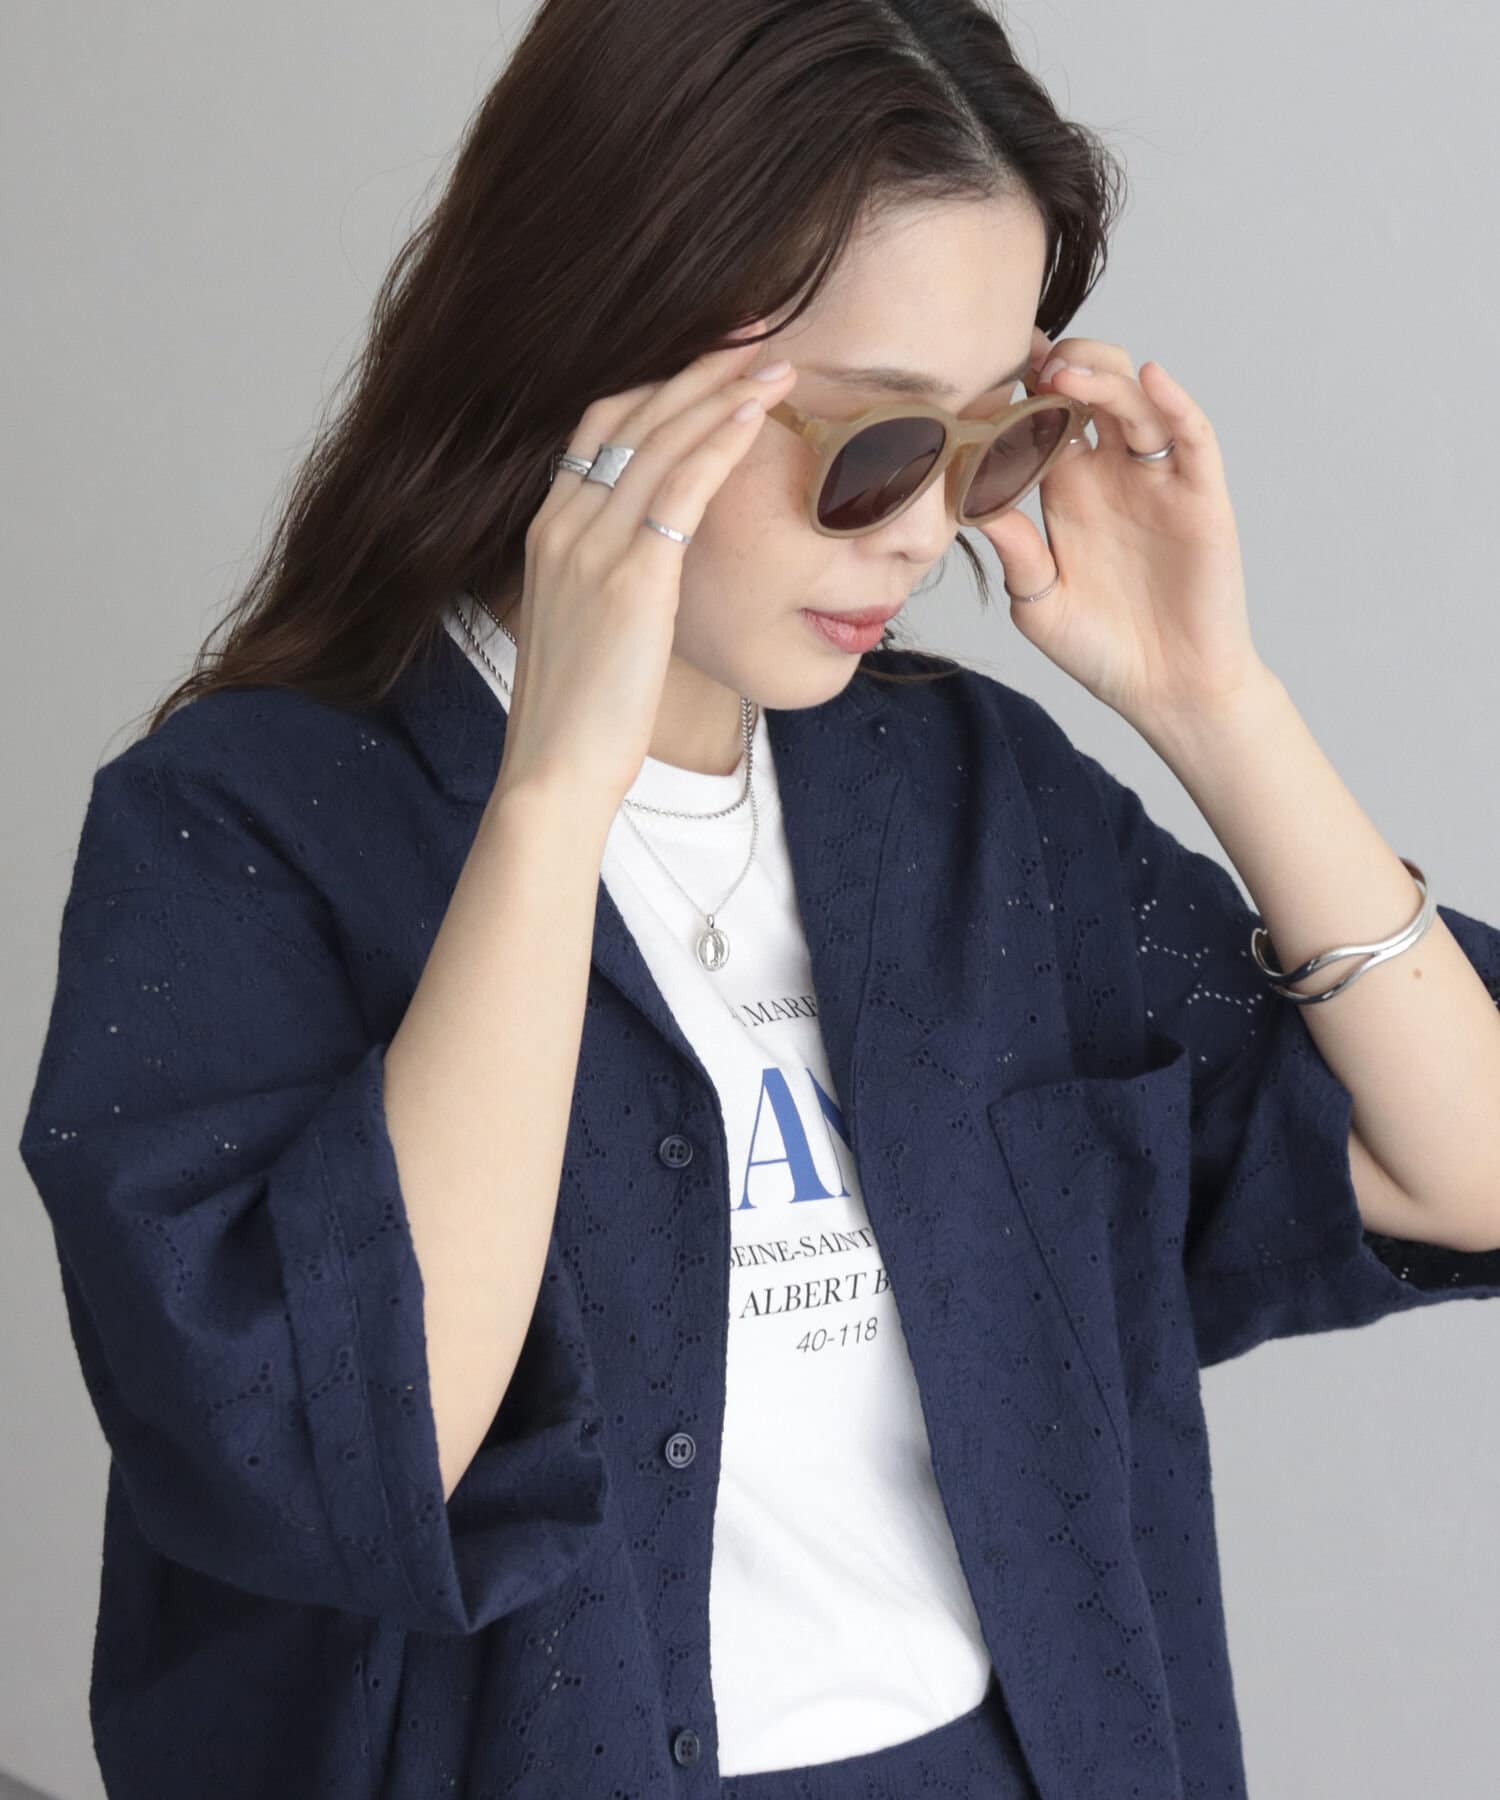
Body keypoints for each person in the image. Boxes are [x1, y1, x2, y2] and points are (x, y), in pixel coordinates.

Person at [17, 2, 1500, 1796]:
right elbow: (341, 1464)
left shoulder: (973, 806)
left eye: (993, 441)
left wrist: (1216, 704)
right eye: (876, 444)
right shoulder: (246, 827)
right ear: (608, 359)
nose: (922, 530)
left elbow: (1469, 1165)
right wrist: (555, 791)